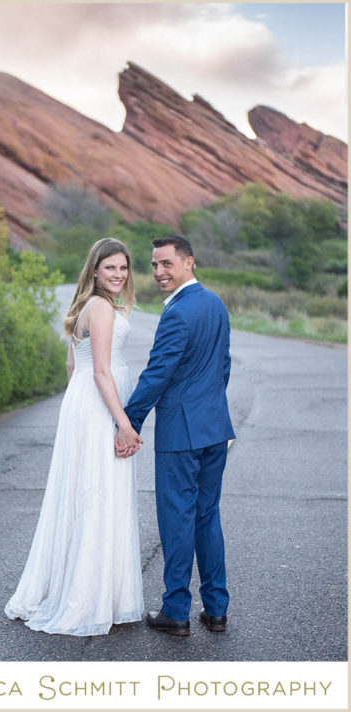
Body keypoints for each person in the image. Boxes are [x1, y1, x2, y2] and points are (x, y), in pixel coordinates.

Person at [5, 237, 143, 636]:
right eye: (110, 268)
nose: (118, 274)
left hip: (87, 403)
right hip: (100, 405)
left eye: (123, 268)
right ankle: (88, 598)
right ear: (95, 270)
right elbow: (100, 370)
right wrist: (122, 422)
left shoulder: (91, 305)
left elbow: (73, 364)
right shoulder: (100, 307)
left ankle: (95, 591)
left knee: (88, 492)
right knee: (98, 494)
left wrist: (78, 410)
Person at [118, 235, 235, 637]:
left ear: (189, 263)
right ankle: (217, 609)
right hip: (215, 429)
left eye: (167, 263)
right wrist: (211, 409)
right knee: (207, 516)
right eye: (153, 265)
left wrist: (128, 421)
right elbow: (223, 366)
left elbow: (156, 375)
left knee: (177, 520)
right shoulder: (216, 304)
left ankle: (176, 611)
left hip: (181, 435)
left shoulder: (178, 314)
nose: (159, 272)